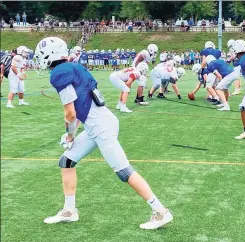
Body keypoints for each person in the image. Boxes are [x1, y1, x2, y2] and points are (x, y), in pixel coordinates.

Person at [35, 37, 173, 229]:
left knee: (124, 171)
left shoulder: (60, 72)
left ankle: (161, 212)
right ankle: (69, 210)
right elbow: (80, 106)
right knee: (66, 161)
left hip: (101, 127)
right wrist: (71, 134)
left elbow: (70, 113)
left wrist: (69, 134)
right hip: (99, 123)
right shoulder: (75, 67)